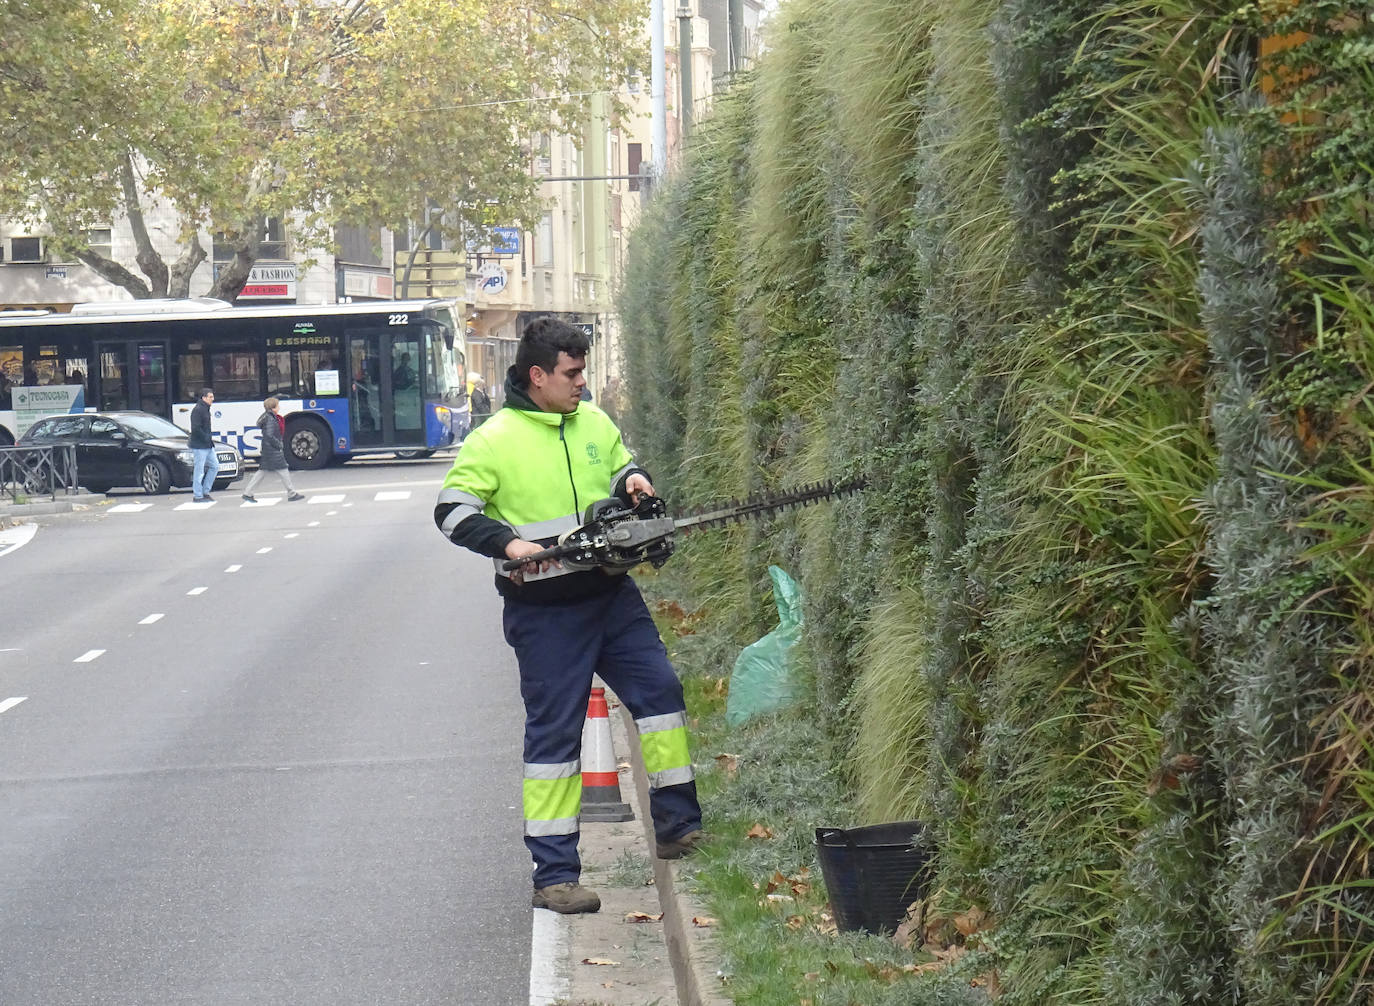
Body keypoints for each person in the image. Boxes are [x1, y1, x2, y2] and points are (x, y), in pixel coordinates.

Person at [433, 317, 705, 916]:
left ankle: (679, 826)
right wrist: (509, 544)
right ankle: (555, 876)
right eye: (572, 373)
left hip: (611, 595)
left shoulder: (593, 422)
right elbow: (451, 511)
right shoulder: (494, 440)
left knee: (661, 694)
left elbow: (620, 467)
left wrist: (635, 481)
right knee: (555, 738)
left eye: (583, 371)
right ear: (538, 375)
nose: (582, 382)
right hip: (545, 615)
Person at [241, 397, 304, 503]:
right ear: (273, 407)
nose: (279, 407)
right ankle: (291, 493)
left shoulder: (268, 417)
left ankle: (248, 493)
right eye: (278, 405)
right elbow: (269, 435)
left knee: (262, 471)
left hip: (268, 449)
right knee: (283, 470)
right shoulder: (270, 419)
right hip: (272, 449)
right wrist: (278, 444)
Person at [189, 387, 220, 502]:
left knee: (215, 466)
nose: (213, 399)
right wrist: (206, 437)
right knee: (199, 470)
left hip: (207, 445)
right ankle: (198, 495)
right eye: (210, 397)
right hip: (199, 445)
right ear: (204, 398)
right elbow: (196, 428)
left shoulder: (205, 409)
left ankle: (205, 492)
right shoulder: (198, 410)